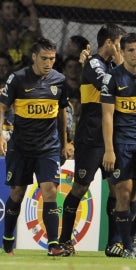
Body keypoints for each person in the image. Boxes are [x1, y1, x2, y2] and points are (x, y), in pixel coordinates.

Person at [0, 37, 69, 256]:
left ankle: (53, 245)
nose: (48, 63)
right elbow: (0, 108)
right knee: (17, 193)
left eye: (52, 59)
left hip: (48, 147)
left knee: (50, 191)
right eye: (44, 58)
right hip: (21, 148)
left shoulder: (59, 81)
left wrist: (66, 143)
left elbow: (62, 111)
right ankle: (8, 238)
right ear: (34, 57)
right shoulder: (17, 79)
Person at [59, 23, 126, 257]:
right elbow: (109, 84)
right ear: (109, 43)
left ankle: (114, 243)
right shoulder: (94, 64)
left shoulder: (110, 65)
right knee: (80, 187)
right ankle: (64, 240)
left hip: (112, 138)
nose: (122, 49)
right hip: (90, 138)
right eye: (119, 44)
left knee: (117, 190)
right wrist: (120, 65)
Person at [101, 32, 136, 259]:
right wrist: (109, 149)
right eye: (131, 50)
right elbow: (107, 116)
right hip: (123, 143)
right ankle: (128, 247)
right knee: (123, 194)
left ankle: (131, 239)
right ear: (122, 52)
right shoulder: (112, 78)